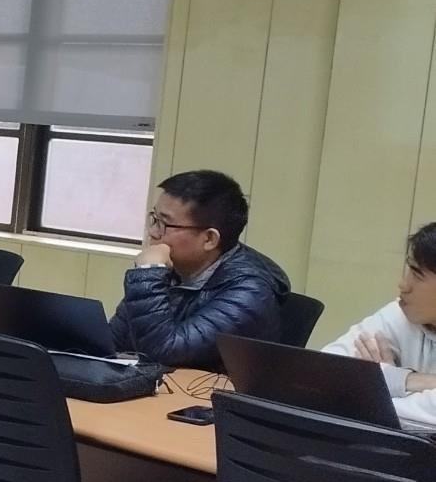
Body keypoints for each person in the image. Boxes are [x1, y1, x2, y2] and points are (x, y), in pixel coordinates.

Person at [110, 168, 289, 369]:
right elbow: (111, 342)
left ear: (209, 239)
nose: (152, 232)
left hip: (204, 388)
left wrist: (148, 274)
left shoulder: (250, 292)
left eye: (164, 224)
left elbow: (163, 352)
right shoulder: (173, 268)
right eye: (154, 219)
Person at [325, 222, 436, 433]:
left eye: (417, 274)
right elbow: (324, 370)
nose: (403, 285)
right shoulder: (402, 313)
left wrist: (376, 384)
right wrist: (408, 380)